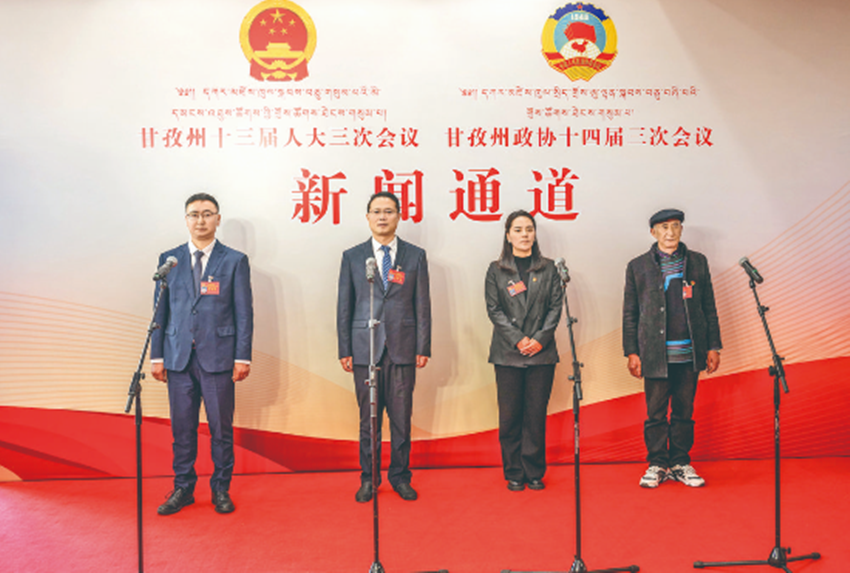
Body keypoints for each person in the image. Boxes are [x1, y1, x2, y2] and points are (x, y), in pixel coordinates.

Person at [150, 193, 253, 514]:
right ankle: (183, 488)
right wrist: (157, 356)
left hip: (219, 358)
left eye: (207, 214)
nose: (201, 220)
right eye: (194, 214)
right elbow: (160, 311)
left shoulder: (234, 260)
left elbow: (244, 313)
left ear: (218, 219)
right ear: (186, 220)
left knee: (221, 430)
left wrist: (242, 356)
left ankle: (221, 489)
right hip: (178, 357)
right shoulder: (170, 260)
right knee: (182, 429)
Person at [337, 191, 431, 502]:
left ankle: (400, 477)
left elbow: (422, 305)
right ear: (367, 217)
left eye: (388, 211)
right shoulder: (353, 256)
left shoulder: (415, 256)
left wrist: (423, 346)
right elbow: (344, 306)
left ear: (399, 216)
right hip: (365, 349)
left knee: (401, 420)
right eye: (376, 211)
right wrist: (345, 348)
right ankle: (369, 478)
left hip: (403, 348)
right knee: (369, 421)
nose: (382, 217)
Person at [622, 208, 721, 488]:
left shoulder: (697, 262)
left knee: (683, 412)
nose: (670, 232)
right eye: (664, 227)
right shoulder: (638, 266)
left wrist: (713, 346)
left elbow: (709, 307)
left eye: (675, 226)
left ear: (681, 230)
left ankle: (680, 463)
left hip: (689, 352)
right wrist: (632, 352)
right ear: (653, 232)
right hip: (654, 354)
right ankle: (657, 463)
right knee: (655, 414)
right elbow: (630, 313)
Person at [485, 210, 563, 491]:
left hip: (542, 353)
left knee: (535, 415)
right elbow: (494, 309)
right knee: (510, 417)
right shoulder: (496, 269)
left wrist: (540, 339)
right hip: (507, 353)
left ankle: (534, 471)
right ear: (508, 235)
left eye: (529, 229)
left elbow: (555, 307)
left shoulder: (549, 268)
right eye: (518, 230)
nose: (524, 235)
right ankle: (514, 471)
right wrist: (518, 339)